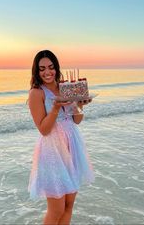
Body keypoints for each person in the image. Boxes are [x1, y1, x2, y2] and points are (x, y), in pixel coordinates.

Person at [28, 50, 94, 225]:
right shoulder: (37, 93)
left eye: (51, 67)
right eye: (42, 69)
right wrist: (56, 108)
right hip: (52, 151)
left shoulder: (65, 87)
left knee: (69, 204)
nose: (47, 72)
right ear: (36, 71)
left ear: (56, 68)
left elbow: (76, 120)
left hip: (72, 145)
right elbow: (43, 129)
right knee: (56, 209)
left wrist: (80, 105)